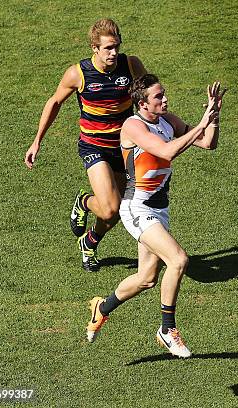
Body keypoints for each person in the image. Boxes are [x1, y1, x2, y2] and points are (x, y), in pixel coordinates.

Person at [86, 74, 226, 357]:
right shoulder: (133, 126)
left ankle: (101, 307)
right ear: (143, 103)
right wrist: (200, 123)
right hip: (136, 208)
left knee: (147, 278)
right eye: (159, 97)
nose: (165, 100)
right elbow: (166, 151)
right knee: (178, 259)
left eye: (164, 94)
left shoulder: (168, 121)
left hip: (159, 209)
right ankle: (167, 329)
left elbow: (208, 143)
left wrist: (213, 116)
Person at [24, 18, 147, 272]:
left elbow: (146, 98)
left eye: (117, 46)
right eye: (108, 48)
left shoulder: (131, 65)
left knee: (116, 211)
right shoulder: (77, 74)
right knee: (110, 207)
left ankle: (89, 242)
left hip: (123, 147)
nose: (114, 52)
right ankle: (85, 202)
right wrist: (37, 141)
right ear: (94, 48)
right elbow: (54, 103)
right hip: (94, 147)